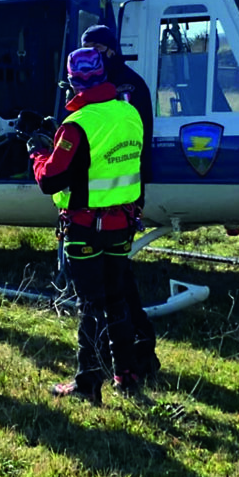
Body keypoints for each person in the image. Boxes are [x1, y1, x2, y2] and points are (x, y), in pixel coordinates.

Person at [29, 47, 143, 404]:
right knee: (117, 300)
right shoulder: (129, 112)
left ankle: (87, 382)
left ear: (73, 82)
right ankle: (126, 376)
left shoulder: (76, 126)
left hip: (84, 227)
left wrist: (36, 151)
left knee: (90, 305)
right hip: (121, 223)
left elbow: (51, 180)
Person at [80, 24, 160, 381]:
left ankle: (138, 353)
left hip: (121, 202)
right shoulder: (98, 90)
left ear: (110, 50)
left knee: (117, 286)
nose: (91, 56)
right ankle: (127, 361)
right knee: (114, 284)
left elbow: (138, 146)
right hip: (99, 205)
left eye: (95, 49)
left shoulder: (129, 87)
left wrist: (137, 198)